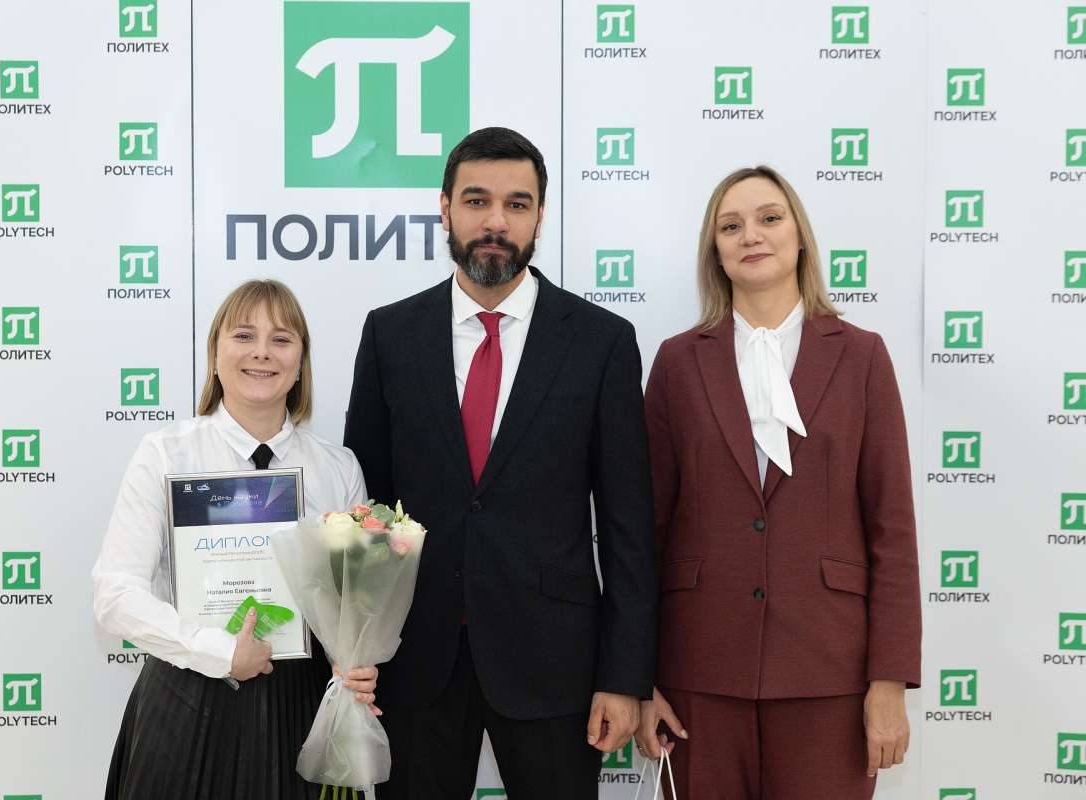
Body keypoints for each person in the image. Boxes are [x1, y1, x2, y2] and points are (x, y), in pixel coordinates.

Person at [343, 126, 657, 799]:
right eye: (477, 200)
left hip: (556, 665)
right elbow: (366, 512)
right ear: (445, 209)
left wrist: (624, 676)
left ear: (540, 216)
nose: (495, 221)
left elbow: (629, 528)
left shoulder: (601, 342)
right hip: (415, 661)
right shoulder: (390, 335)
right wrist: (354, 649)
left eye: (517, 204)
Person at [636, 166, 922, 799]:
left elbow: (892, 530)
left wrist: (889, 680)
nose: (751, 235)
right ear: (714, 251)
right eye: (730, 226)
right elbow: (645, 529)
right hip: (697, 674)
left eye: (769, 218)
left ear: (799, 236)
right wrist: (639, 677)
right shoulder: (678, 361)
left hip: (830, 673)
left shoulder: (862, 355)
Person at [93, 279, 380, 800]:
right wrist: (221, 652)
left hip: (302, 708)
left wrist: (353, 657)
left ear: (300, 362)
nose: (262, 352)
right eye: (244, 335)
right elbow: (116, 595)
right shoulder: (166, 454)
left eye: (281, 339)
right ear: (214, 354)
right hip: (188, 693)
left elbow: (352, 605)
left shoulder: (338, 469)